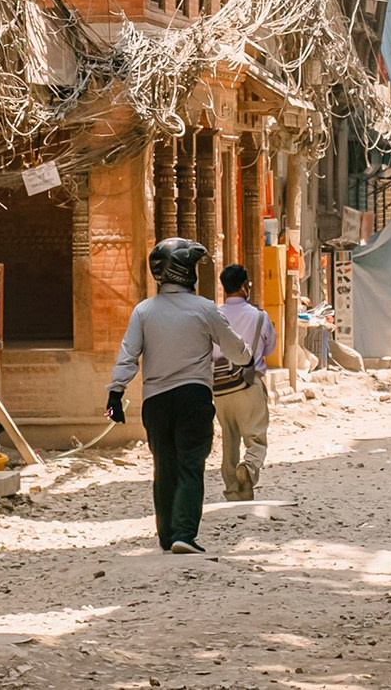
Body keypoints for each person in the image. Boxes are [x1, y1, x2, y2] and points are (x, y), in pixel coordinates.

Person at [105, 238, 254, 555]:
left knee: (164, 466)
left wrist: (115, 394)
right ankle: (184, 534)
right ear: (185, 271)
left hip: (155, 401)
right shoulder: (204, 309)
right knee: (190, 465)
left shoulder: (143, 311)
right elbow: (234, 349)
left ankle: (166, 534)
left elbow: (128, 355)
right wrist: (247, 356)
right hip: (193, 398)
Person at [212, 263, 277, 501]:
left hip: (219, 386)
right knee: (256, 437)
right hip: (249, 383)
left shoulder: (213, 317)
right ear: (243, 286)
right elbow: (270, 347)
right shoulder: (258, 316)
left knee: (229, 439)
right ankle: (248, 469)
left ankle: (232, 489)